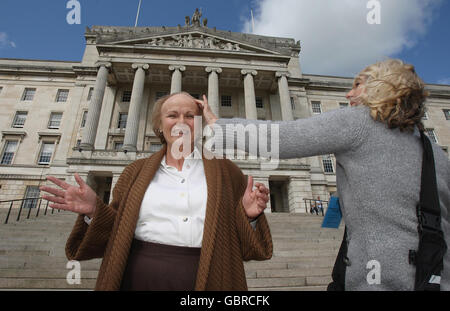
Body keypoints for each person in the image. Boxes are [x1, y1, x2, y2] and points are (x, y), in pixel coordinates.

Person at [198, 59, 450, 290]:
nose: (348, 94)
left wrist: (217, 126)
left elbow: (281, 139)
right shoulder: (432, 150)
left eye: (358, 85)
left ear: (382, 87)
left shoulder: (360, 122)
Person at [40, 92, 272, 291]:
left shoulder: (226, 171)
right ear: (160, 125)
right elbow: (116, 231)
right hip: (138, 278)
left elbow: (245, 246)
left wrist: (249, 217)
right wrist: (94, 211)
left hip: (213, 278)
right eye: (172, 115)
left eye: (190, 116)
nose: (181, 122)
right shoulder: (135, 172)